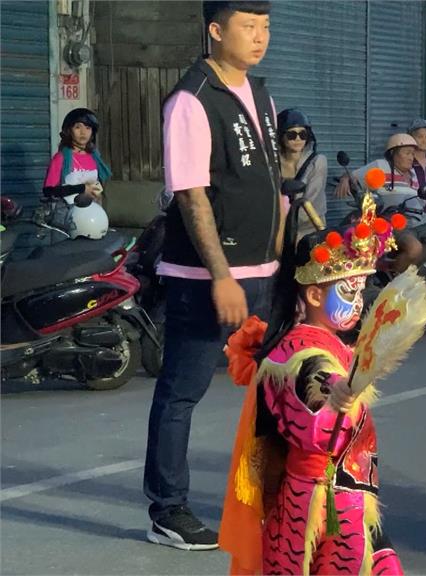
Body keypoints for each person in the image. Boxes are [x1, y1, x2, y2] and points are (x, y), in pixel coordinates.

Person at [146, 0, 277, 551]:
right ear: (215, 30)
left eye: (266, 27)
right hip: (207, 278)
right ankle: (167, 509)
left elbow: (268, 182)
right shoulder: (191, 100)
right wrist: (220, 275)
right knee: (183, 390)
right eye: (248, 26)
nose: (260, 37)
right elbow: (192, 194)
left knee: (275, 389)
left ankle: (274, 493)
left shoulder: (262, 94)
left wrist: (280, 254)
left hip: (263, 271)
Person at [219, 196, 408, 575]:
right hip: (320, 503)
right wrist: (336, 389)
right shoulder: (299, 351)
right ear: (315, 293)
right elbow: (317, 378)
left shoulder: (331, 342)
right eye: (348, 292)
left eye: (360, 293)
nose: (358, 305)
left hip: (346, 492)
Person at [353, 133, 426, 292]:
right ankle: (393, 280)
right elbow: (354, 178)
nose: (411, 157)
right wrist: (345, 181)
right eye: (407, 153)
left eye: (412, 153)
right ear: (393, 153)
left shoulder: (413, 175)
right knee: (414, 248)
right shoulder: (380, 166)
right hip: (397, 223)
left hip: (422, 220)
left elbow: (421, 201)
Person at [42, 107, 111, 203]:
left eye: (88, 128)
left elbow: (99, 187)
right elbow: (48, 191)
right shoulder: (61, 158)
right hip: (67, 213)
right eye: (78, 127)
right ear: (69, 131)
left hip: (92, 213)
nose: (83, 132)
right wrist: (81, 188)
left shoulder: (95, 157)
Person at [277, 108, 327, 239]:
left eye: (302, 134)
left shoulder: (317, 162)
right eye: (291, 135)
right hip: (278, 232)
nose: (298, 139)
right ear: (281, 136)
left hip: (309, 232)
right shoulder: (272, 162)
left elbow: (311, 202)